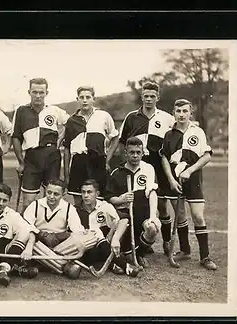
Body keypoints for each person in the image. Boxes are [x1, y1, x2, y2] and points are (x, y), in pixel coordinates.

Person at [116, 81, 175, 255]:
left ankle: (166, 242)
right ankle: (144, 241)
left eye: (152, 96)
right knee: (138, 201)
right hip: (137, 164)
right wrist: (123, 161)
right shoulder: (131, 117)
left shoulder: (166, 118)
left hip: (158, 166)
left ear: (158, 97)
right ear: (141, 97)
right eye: (146, 96)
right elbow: (121, 142)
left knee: (162, 205)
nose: (149, 99)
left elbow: (180, 132)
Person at [160, 99, 217, 270]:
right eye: (178, 111)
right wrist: (170, 179)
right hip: (174, 180)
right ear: (174, 113)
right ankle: (185, 250)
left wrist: (189, 171)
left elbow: (206, 156)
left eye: (185, 111)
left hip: (192, 180)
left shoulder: (197, 132)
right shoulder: (169, 134)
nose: (182, 114)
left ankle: (205, 257)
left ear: (190, 112)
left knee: (198, 216)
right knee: (181, 216)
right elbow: (163, 156)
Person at [11, 78, 70, 214]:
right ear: (29, 92)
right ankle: (26, 230)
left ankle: (47, 229)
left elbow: (71, 123)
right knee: (28, 201)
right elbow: (16, 137)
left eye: (41, 92)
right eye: (34, 92)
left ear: (46, 93)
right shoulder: (21, 111)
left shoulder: (54, 110)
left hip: (52, 156)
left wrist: (61, 137)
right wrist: (21, 162)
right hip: (32, 157)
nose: (38, 96)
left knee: (51, 198)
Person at [22, 178, 98, 278]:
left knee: (90, 237)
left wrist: (60, 236)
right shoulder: (35, 205)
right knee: (29, 239)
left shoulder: (68, 208)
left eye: (56, 194)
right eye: (49, 192)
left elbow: (77, 230)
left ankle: (47, 262)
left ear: (63, 194)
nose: (51, 197)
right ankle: (65, 266)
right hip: (38, 242)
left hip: (60, 244)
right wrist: (42, 234)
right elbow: (26, 225)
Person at [105, 137, 161, 269]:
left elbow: (152, 193)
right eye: (132, 152)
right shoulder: (117, 172)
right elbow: (109, 198)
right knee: (126, 255)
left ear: (142, 153)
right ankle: (131, 254)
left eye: (138, 152)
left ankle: (140, 254)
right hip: (125, 216)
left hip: (143, 212)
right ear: (125, 154)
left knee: (152, 228)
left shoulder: (148, 169)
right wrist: (121, 199)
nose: (135, 155)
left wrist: (153, 216)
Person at [63, 86, 119, 206]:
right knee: (78, 202)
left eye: (88, 97)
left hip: (98, 162)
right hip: (78, 163)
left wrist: (107, 160)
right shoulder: (72, 121)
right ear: (77, 99)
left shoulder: (103, 116)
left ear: (93, 99)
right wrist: (66, 175)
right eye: (81, 97)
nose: (84, 100)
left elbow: (115, 138)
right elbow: (66, 148)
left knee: (99, 201)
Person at [75, 179, 140, 277]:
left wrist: (115, 239)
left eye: (89, 192)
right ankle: (118, 264)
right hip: (86, 250)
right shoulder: (75, 210)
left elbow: (124, 220)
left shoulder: (105, 206)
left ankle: (123, 266)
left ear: (97, 194)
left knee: (101, 236)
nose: (86, 195)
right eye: (83, 192)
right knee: (95, 234)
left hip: (106, 245)